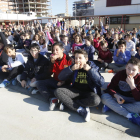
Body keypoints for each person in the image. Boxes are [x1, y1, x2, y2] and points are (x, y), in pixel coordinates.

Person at [54, 49, 104, 122]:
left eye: (80, 58)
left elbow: (101, 82)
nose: (77, 60)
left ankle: (68, 103)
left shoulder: (93, 67)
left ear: (86, 59)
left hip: (88, 93)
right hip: (75, 91)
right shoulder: (73, 66)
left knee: (96, 100)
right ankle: (80, 109)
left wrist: (90, 70)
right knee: (58, 91)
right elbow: (60, 77)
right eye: (76, 58)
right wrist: (70, 69)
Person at [102, 57, 140, 126]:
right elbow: (110, 87)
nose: (130, 72)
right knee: (104, 97)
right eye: (128, 68)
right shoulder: (120, 74)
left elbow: (138, 98)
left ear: (138, 70)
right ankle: (129, 115)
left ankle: (112, 107)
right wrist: (115, 95)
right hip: (119, 96)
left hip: (131, 99)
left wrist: (132, 86)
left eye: (134, 70)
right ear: (126, 67)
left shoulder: (139, 79)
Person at [36, 42, 72, 110]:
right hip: (55, 80)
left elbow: (72, 75)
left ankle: (59, 97)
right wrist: (51, 63)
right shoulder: (53, 59)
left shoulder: (69, 59)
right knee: (39, 83)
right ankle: (52, 98)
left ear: (62, 50)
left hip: (65, 83)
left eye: (57, 50)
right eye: (53, 50)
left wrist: (64, 81)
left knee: (58, 91)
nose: (55, 52)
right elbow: (49, 73)